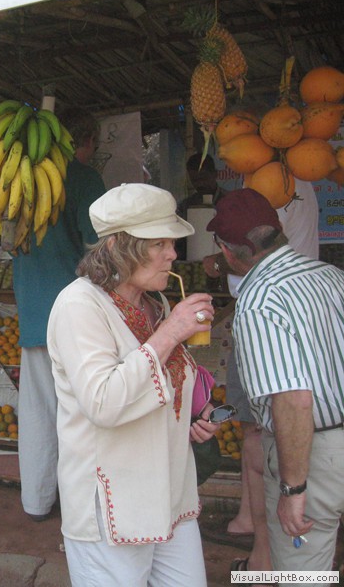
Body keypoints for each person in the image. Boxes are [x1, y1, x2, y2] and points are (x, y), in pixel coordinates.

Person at [48, 183, 220, 586]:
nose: (172, 254)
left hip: (169, 493)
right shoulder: (79, 306)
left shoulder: (155, 303)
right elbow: (104, 403)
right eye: (159, 243)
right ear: (118, 247)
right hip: (113, 505)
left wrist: (198, 412)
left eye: (171, 243)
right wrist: (170, 333)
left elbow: (163, 381)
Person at [207, 188, 344, 581]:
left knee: (303, 578)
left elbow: (294, 399)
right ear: (279, 230)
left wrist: (293, 491)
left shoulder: (258, 302)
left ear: (228, 252)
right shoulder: (331, 276)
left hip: (315, 456)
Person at [11, 107, 106, 521]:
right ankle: (80, 508)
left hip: (32, 309)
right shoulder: (84, 178)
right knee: (80, 413)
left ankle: (36, 501)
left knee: (36, 412)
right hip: (74, 314)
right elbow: (98, 246)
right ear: (88, 141)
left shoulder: (22, 177)